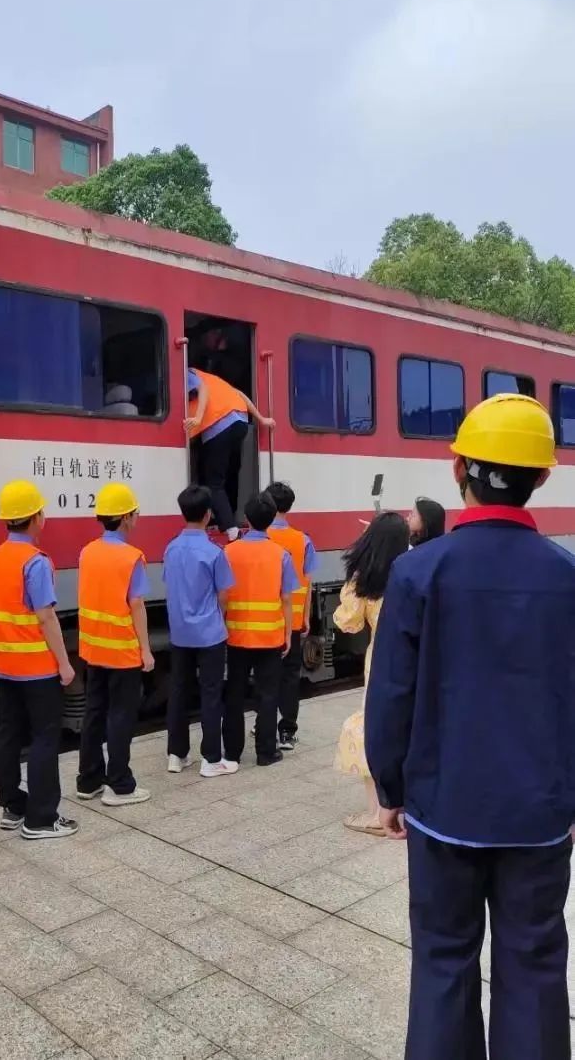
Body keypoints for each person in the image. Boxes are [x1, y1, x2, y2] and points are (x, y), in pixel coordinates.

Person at [366, 393, 575, 1060]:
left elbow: (390, 694)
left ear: (457, 469)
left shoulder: (416, 570)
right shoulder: (567, 575)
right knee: (534, 965)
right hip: (539, 815)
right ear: (541, 475)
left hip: (440, 807)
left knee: (441, 959)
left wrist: (389, 788)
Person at [0, 480, 78, 840]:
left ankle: (12, 806)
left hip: (4, 663)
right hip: (36, 667)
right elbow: (45, 617)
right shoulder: (35, 562)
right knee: (43, 738)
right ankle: (41, 818)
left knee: (7, 734)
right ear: (36, 517)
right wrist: (65, 664)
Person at [76, 482, 154, 806]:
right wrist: (145, 651)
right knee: (120, 715)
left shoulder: (87, 551)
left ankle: (88, 779)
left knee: (94, 711)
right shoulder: (131, 558)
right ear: (124, 518)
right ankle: (119, 784)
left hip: (93, 648)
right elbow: (136, 605)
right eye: (134, 514)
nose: (136, 519)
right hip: (121, 650)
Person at [333, 511, 409, 836]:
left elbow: (347, 622)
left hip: (382, 661)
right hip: (419, 658)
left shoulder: (368, 580)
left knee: (373, 728)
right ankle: (407, 811)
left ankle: (378, 813)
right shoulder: (414, 570)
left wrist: (353, 586)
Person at [163, 484, 236, 778]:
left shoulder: (171, 548)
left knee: (178, 692)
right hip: (209, 634)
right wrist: (217, 617)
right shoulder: (214, 552)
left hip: (179, 633)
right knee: (210, 693)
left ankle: (176, 755)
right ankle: (211, 758)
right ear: (208, 515)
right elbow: (224, 594)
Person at [223, 492, 300, 767]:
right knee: (268, 695)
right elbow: (287, 598)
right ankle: (266, 752)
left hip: (236, 635)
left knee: (234, 693)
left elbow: (222, 593)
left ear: (246, 519)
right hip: (270, 637)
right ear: (270, 520)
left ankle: (231, 752)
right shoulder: (281, 555)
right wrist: (288, 634)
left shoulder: (229, 551)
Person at [184, 369, 275, 541]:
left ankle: (231, 529)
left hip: (218, 424)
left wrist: (197, 418)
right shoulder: (215, 380)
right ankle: (226, 518)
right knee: (230, 475)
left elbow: (201, 389)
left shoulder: (187, 372)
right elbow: (240, 394)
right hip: (240, 422)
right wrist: (261, 419)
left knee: (213, 481)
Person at [266, 481, 319, 750]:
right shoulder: (303, 540)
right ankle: (287, 732)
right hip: (293, 621)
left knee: (265, 676)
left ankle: (262, 724)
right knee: (289, 677)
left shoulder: (259, 536)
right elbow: (307, 582)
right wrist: (307, 616)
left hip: (264, 624)